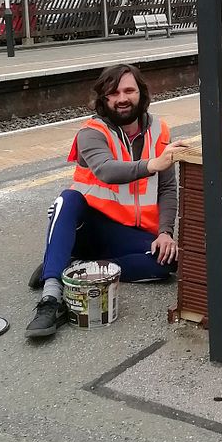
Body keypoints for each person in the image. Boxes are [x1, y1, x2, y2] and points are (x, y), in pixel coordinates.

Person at [25, 63, 186, 338]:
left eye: (128, 90)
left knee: (169, 261)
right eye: (113, 93)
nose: (122, 98)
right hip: (88, 228)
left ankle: (71, 266)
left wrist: (165, 232)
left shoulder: (160, 130)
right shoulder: (91, 132)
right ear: (103, 99)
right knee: (68, 199)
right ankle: (51, 297)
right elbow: (106, 170)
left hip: (125, 233)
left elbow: (167, 188)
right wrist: (152, 164)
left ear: (141, 93)